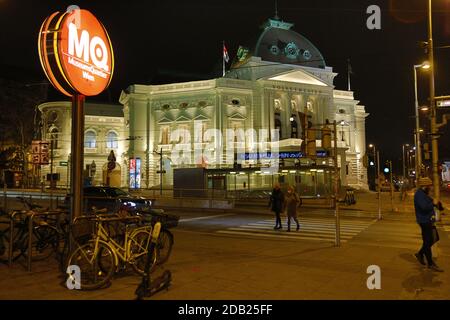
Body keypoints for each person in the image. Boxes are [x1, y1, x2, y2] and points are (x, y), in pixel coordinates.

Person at [413, 177, 443, 272]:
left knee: (434, 238)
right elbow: (424, 207)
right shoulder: (419, 194)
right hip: (424, 221)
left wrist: (438, 204)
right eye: (429, 186)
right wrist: (433, 204)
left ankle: (420, 254)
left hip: (429, 220)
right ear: (424, 186)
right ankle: (430, 263)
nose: (431, 187)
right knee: (428, 241)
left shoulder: (424, 194)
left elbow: (431, 203)